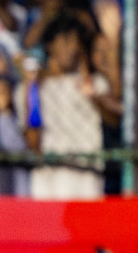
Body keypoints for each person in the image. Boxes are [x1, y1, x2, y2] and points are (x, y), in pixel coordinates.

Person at [27, 14, 119, 200]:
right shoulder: (35, 87)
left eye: (75, 42)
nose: (71, 49)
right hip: (48, 177)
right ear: (50, 45)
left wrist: (93, 97)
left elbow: (114, 120)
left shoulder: (94, 83)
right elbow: (32, 139)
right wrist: (31, 90)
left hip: (87, 176)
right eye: (65, 41)